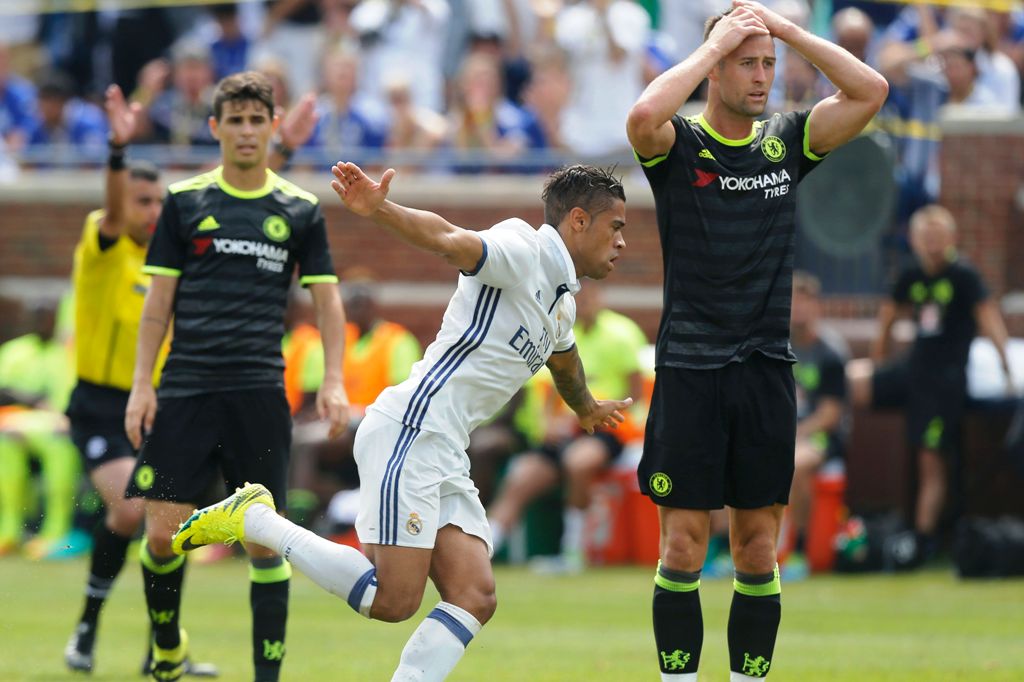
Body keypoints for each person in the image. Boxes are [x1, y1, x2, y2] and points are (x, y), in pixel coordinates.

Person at [170, 161, 632, 682]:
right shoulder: (522, 249)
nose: (621, 243)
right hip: (411, 429)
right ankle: (257, 520)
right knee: (392, 600)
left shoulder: (562, 304)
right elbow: (449, 239)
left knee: (475, 595)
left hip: (445, 446)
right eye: (615, 227)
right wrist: (380, 208)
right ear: (577, 221)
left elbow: (565, 364)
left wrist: (588, 407)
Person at [625, 1, 887, 678]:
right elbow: (641, 119)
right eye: (750, 63)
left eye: (769, 65)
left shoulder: (788, 141)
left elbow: (871, 91)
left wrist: (789, 32)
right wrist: (716, 46)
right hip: (690, 369)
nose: (763, 76)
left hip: (766, 371)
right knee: (683, 547)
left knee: (756, 550)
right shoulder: (680, 147)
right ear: (716, 70)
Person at [123, 70, 349, 682]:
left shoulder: (299, 208)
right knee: (164, 537)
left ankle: (266, 677)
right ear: (215, 128)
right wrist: (142, 384)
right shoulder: (184, 200)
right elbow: (156, 304)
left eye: (257, 120)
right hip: (186, 387)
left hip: (259, 390)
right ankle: (167, 649)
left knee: (263, 540)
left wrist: (333, 380)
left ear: (273, 128)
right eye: (236, 120)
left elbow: (327, 303)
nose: (246, 131)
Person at [847, 204, 1012, 568]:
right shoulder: (911, 275)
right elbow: (888, 315)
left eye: (939, 236)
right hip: (914, 371)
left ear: (951, 239)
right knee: (855, 380)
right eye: (926, 237)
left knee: (930, 460)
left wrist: (1005, 366)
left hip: (945, 382)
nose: (933, 244)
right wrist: (879, 359)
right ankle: (847, 487)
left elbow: (989, 318)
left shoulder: (963, 276)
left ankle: (922, 542)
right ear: (915, 240)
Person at [487, 282, 648, 572]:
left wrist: (605, 414)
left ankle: (572, 553)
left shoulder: (622, 333)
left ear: (600, 296)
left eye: (588, 295)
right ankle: (483, 551)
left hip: (607, 430)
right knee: (521, 475)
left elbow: (636, 395)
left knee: (579, 462)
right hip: (564, 434)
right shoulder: (554, 332)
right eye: (576, 297)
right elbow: (545, 395)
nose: (583, 302)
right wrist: (548, 426)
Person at [782, 271, 848, 581]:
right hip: (780, 433)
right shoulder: (774, 346)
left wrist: (793, 435)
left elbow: (830, 415)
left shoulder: (830, 352)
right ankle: (726, 548)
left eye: (806, 303)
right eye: (793, 303)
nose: (799, 310)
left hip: (820, 437)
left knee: (794, 464)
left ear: (817, 307)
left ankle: (799, 549)